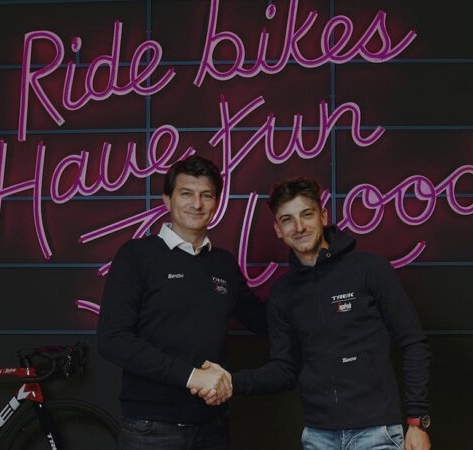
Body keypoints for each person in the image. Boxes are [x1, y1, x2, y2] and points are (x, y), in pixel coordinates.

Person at [197, 177, 431, 450]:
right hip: (319, 437)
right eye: (287, 220)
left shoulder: (369, 269)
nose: (299, 227)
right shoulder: (283, 293)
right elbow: (284, 370)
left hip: (376, 433)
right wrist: (230, 381)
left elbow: (413, 342)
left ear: (323, 216)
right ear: (278, 229)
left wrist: (417, 422)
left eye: (306, 214)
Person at [97, 155, 267, 450]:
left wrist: (313, 277)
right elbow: (112, 339)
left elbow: (263, 320)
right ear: (167, 199)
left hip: (212, 427)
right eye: (186, 193)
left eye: (206, 195)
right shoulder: (136, 256)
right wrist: (192, 377)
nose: (196, 204)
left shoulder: (224, 264)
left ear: (216, 203)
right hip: (151, 429)